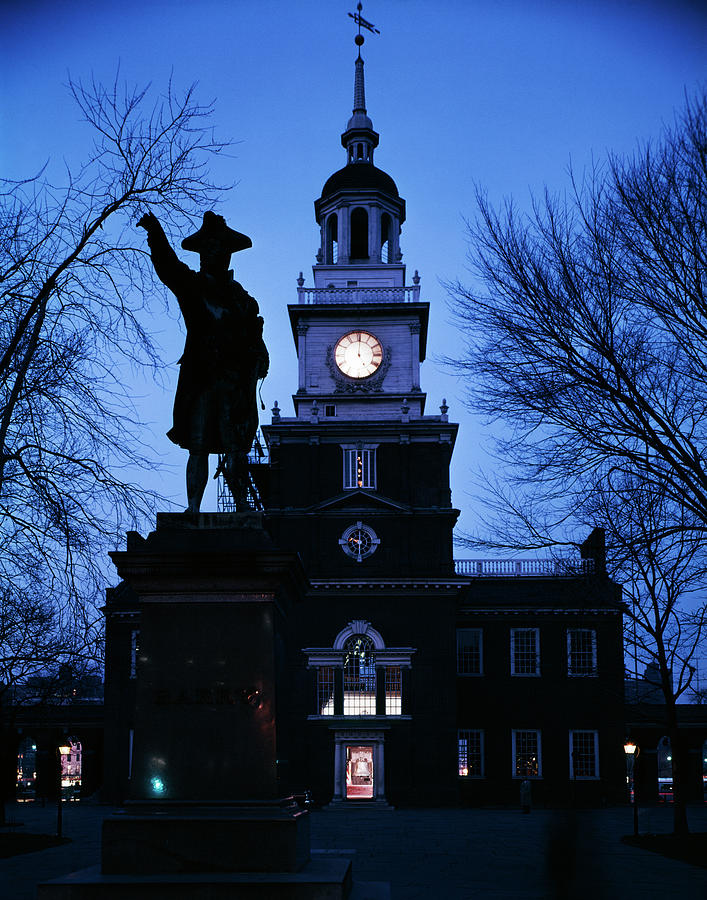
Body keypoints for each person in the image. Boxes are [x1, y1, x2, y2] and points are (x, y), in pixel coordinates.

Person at [137, 210, 268, 513]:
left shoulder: (243, 299)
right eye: (207, 248)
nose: (212, 253)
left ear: (227, 253)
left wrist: (259, 359)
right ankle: (193, 508)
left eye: (218, 248)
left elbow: (256, 340)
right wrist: (155, 235)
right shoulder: (193, 287)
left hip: (235, 386)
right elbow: (168, 267)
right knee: (198, 446)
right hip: (203, 381)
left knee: (236, 449)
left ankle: (240, 506)